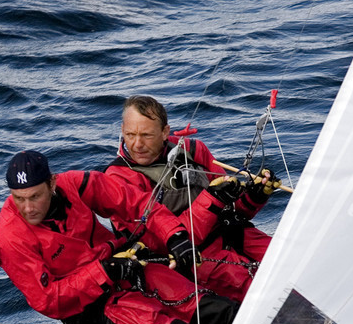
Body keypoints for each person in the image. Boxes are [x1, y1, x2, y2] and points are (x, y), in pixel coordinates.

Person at [0, 149, 237, 324]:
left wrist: (175, 236)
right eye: (18, 198)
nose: (28, 208)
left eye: (35, 197)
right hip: (91, 310)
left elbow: (137, 204)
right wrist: (104, 271)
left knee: (215, 309)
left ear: (52, 183)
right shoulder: (10, 237)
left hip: (125, 267)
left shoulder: (74, 184)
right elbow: (48, 301)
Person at [104, 95, 277, 303]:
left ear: (165, 132)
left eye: (147, 135)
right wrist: (213, 198)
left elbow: (234, 210)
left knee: (289, 261)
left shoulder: (194, 151)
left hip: (232, 233)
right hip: (189, 257)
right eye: (130, 134)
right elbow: (156, 242)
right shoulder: (117, 179)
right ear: (122, 130)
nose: (137, 144)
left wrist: (254, 196)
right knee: (261, 292)